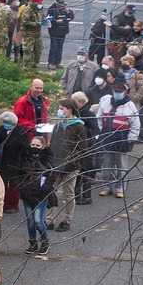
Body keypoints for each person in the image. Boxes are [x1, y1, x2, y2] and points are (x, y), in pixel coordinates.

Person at [49, 97, 92, 232]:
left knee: (68, 194)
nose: (59, 111)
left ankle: (66, 220)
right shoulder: (58, 126)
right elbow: (53, 145)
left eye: (62, 109)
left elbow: (82, 148)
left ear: (69, 110)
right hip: (56, 165)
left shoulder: (78, 126)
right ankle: (49, 220)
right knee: (49, 191)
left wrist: (69, 160)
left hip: (71, 166)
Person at [94, 82, 140, 197]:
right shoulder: (106, 103)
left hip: (122, 140)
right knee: (107, 164)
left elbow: (135, 125)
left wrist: (130, 140)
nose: (117, 94)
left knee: (121, 165)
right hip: (107, 139)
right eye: (116, 92)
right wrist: (101, 133)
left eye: (120, 92)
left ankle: (120, 188)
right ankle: (107, 187)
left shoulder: (130, 106)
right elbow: (98, 119)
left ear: (125, 92)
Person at [17, 133, 55, 255]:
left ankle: (45, 242)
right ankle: (32, 243)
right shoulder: (24, 157)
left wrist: (44, 189)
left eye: (37, 145)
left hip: (41, 195)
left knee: (38, 220)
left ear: (43, 146)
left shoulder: (48, 159)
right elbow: (17, 174)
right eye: (32, 144)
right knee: (30, 221)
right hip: (27, 194)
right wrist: (21, 187)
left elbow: (51, 176)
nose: (34, 146)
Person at [15, 0, 46, 67]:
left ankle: (34, 67)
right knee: (28, 51)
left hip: (37, 34)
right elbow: (24, 21)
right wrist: (36, 23)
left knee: (38, 51)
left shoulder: (39, 9)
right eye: (40, 2)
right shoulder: (28, 10)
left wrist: (46, 20)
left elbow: (42, 17)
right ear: (35, 2)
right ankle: (26, 68)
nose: (41, 4)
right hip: (29, 34)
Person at [46, 0, 73, 66]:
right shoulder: (52, 9)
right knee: (54, 47)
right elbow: (48, 19)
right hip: (54, 31)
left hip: (63, 31)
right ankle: (51, 62)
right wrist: (55, 21)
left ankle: (57, 62)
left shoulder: (65, 8)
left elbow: (71, 17)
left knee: (60, 47)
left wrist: (68, 11)